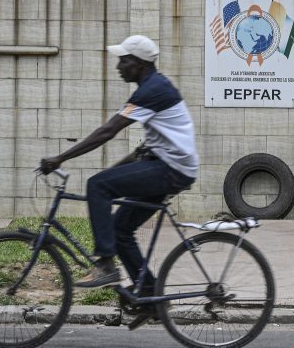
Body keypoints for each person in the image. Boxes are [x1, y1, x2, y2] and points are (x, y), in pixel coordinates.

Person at [39, 35, 198, 295]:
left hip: (172, 170)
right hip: (168, 166)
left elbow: (107, 131)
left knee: (97, 185)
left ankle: (105, 264)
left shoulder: (152, 90)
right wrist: (114, 172)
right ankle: (150, 297)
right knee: (120, 229)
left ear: (139, 63)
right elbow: (143, 150)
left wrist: (60, 158)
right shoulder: (152, 87)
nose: (118, 67)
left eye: (123, 61)